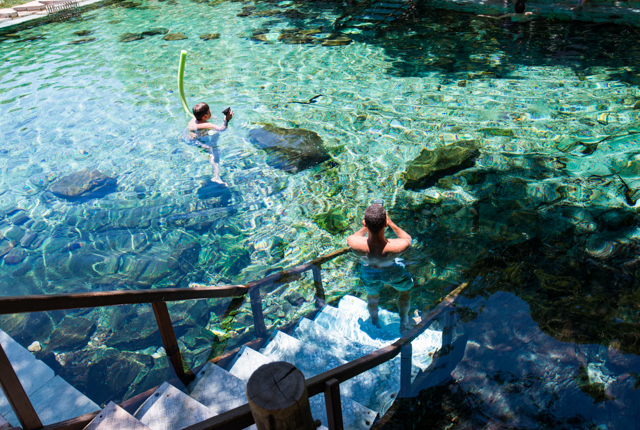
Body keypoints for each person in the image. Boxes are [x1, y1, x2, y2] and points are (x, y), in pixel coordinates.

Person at [347, 203, 414, 333]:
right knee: (405, 292)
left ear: (364, 223)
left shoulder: (354, 243)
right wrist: (392, 223)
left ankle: (374, 322)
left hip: (369, 271)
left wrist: (367, 226)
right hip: (391, 271)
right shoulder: (396, 246)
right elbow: (407, 238)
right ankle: (404, 321)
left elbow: (356, 236)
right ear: (385, 223)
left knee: (372, 297)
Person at [186, 102, 233, 185]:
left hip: (190, 138)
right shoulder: (207, 124)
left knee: (215, 134)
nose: (211, 110)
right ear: (204, 116)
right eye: (209, 111)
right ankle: (216, 177)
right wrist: (226, 119)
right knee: (215, 153)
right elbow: (221, 129)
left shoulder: (194, 119)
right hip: (197, 141)